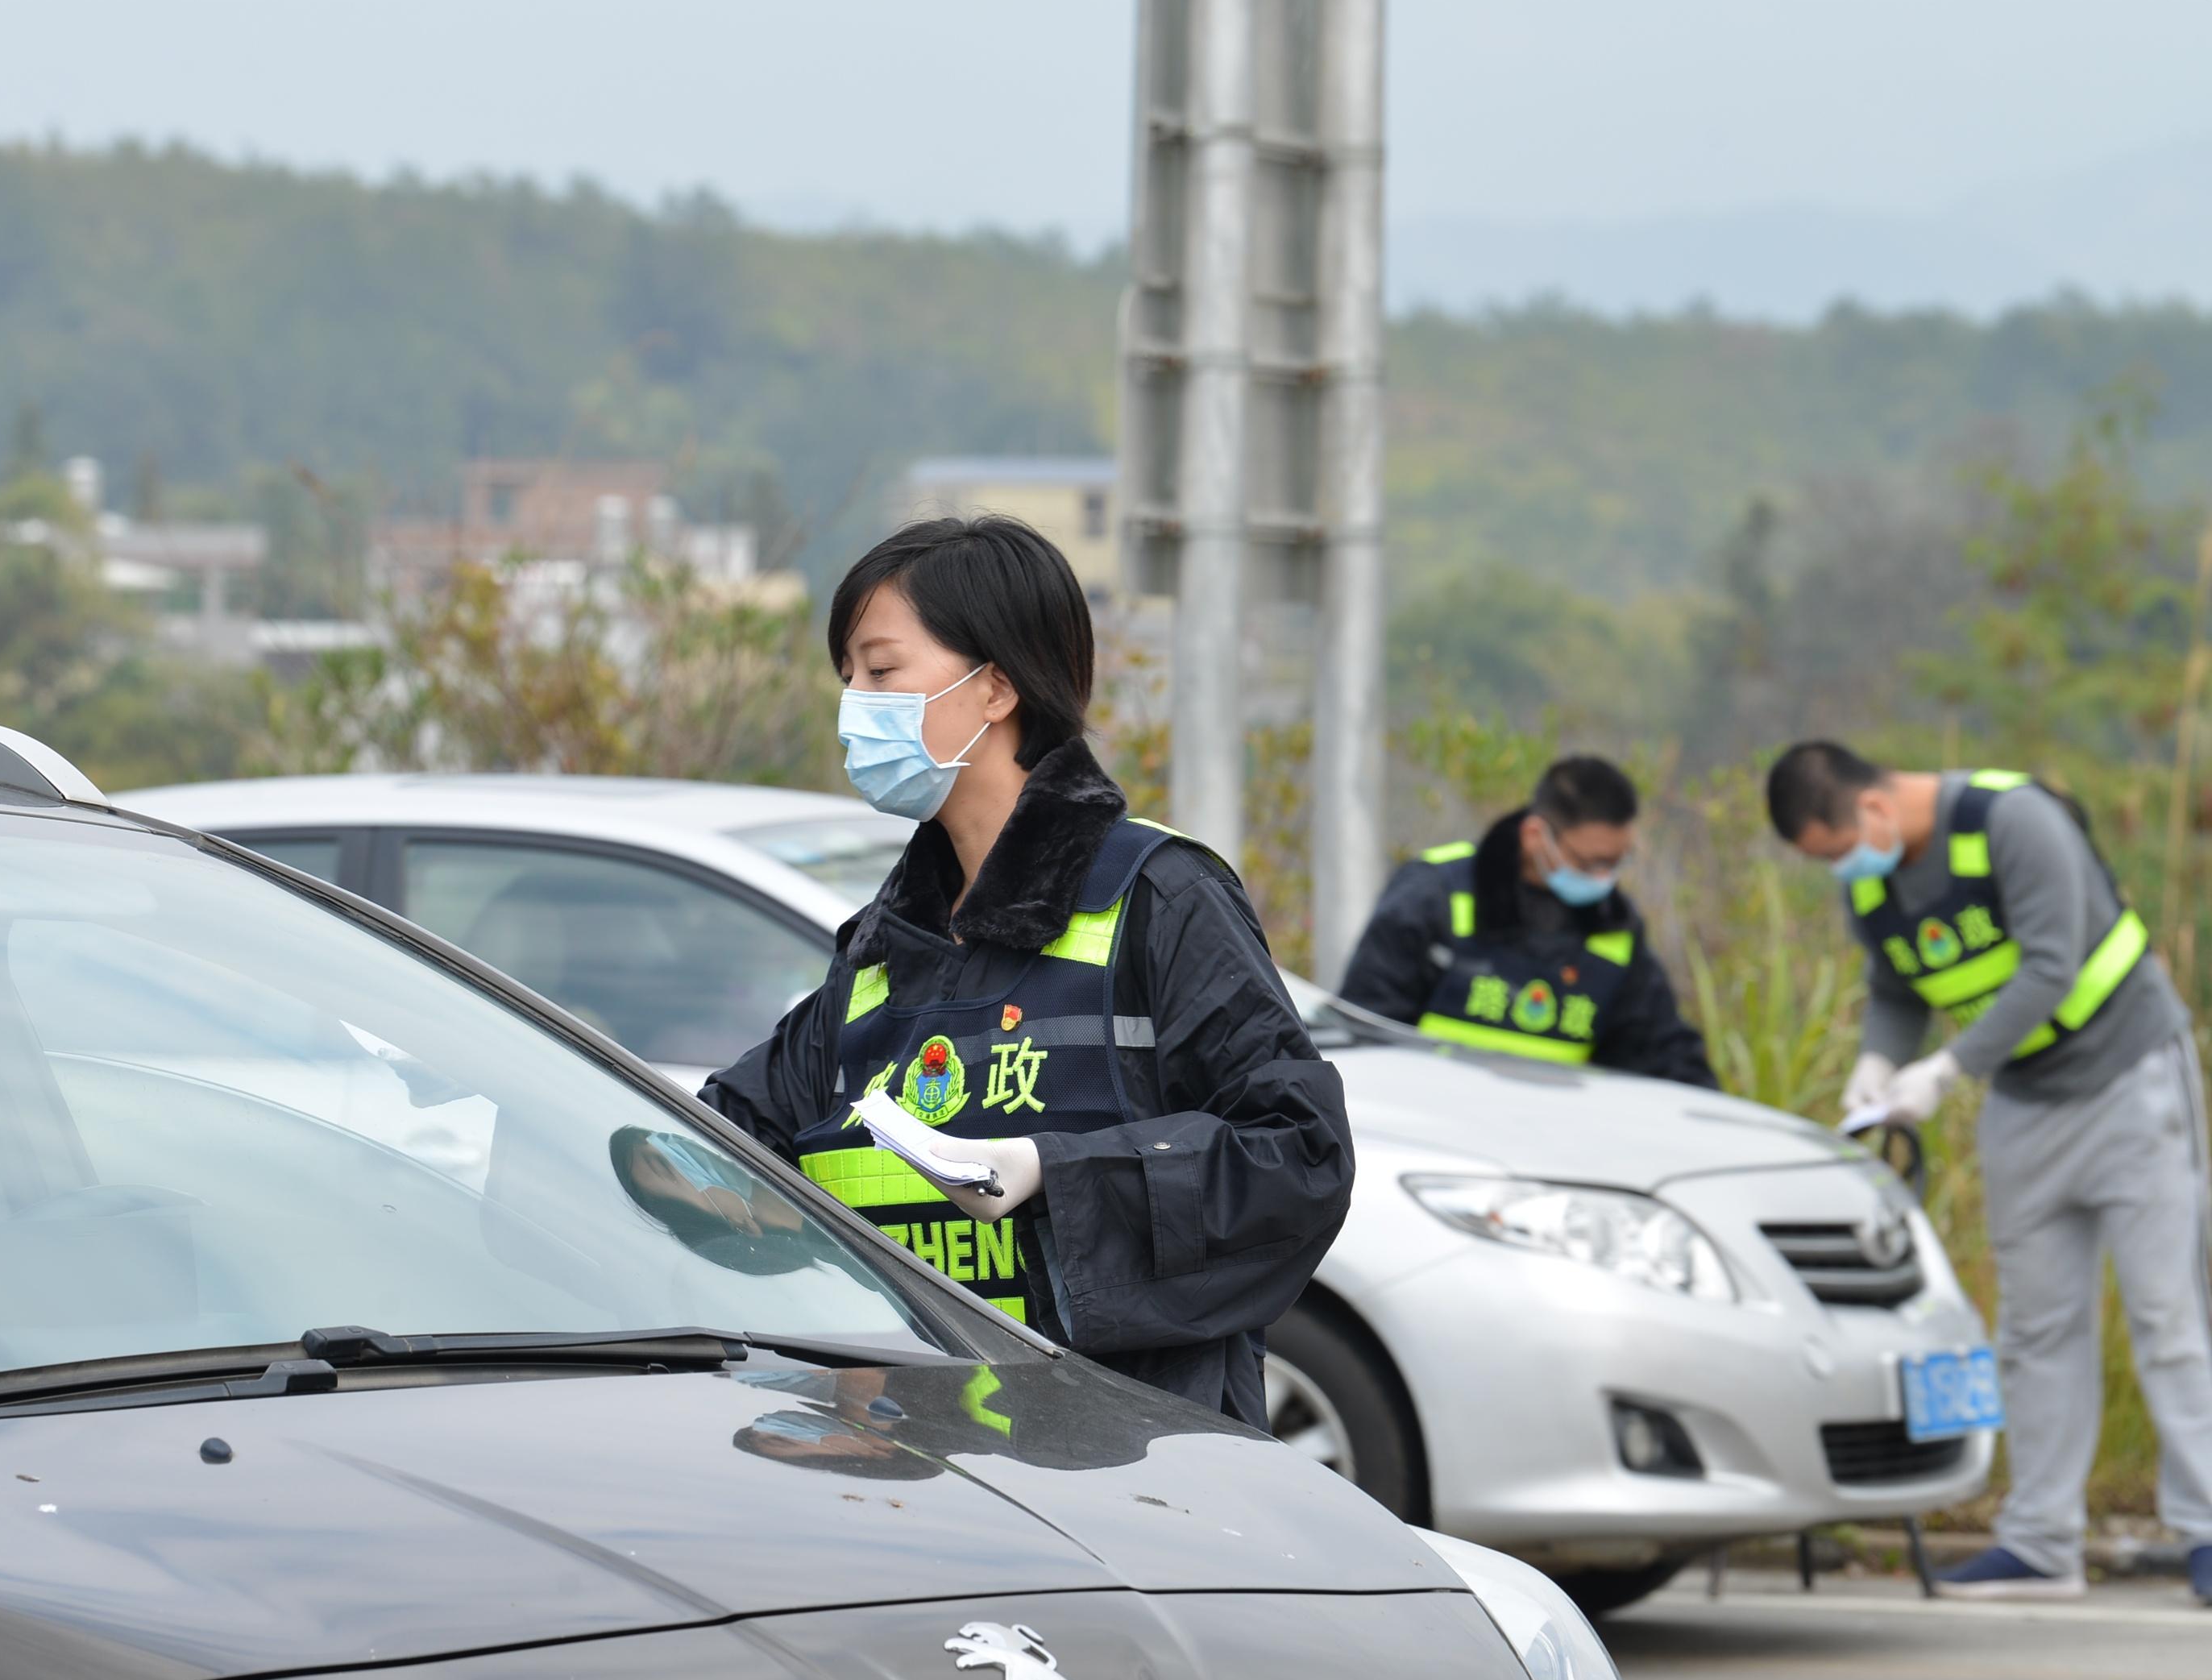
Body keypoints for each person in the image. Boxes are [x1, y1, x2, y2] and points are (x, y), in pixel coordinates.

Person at [699, 515, 1354, 1428]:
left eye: (881, 671)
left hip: (1134, 1469)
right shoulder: (883, 947)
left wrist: (1057, 1170)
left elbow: (1297, 1155)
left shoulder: (1157, 898)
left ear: (995, 686)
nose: (854, 703)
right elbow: (723, 1140)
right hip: (922, 1467)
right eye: (846, 676)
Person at [1766, 740, 2212, 1607]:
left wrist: (1943, 1070)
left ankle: (2204, 1527)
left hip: (2129, 1080)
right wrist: (1877, 1063)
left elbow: (2049, 965)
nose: (1840, 870)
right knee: (2035, 1327)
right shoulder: (1872, 879)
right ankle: (2042, 1542)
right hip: (2022, 1102)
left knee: (2167, 1314)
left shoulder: (2011, 822)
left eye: (1836, 850)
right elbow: (1896, 990)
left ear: (1870, 809)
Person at [1336, 756, 1716, 1086]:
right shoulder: (1435, 896)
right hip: (1435, 1136)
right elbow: (1365, 1030)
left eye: (1616, 864)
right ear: (1536, 836)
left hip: (1551, 1143)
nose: (1604, 878)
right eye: (1589, 864)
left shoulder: (1614, 930)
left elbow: (1660, 1051)